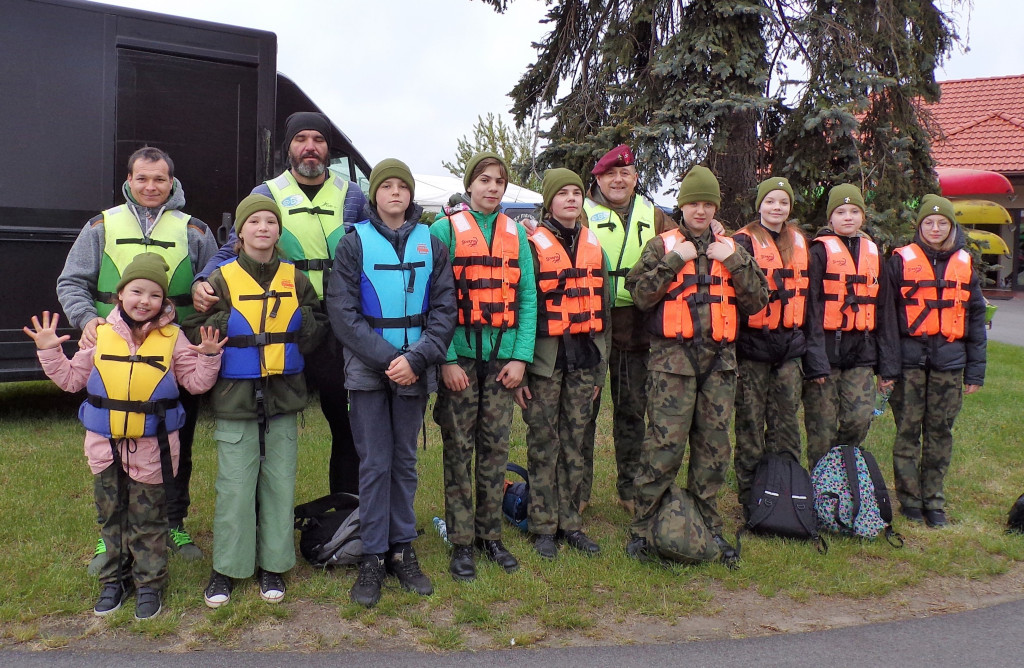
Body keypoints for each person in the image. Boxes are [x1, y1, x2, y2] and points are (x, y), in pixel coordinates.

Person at [28, 253, 223, 619]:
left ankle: (149, 584)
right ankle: (113, 581)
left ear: (164, 301)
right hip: (105, 448)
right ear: (120, 295)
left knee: (149, 521)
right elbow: (71, 379)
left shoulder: (173, 338)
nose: (143, 301)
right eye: (136, 291)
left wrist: (209, 357)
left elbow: (196, 385)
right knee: (111, 517)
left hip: (152, 449)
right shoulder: (100, 335)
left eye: (153, 295)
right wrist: (49, 349)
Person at [57, 146, 218, 567]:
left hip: (173, 358)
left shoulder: (196, 230)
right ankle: (112, 531)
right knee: (110, 443)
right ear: (129, 180)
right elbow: (71, 281)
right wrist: (86, 319)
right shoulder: (100, 226)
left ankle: (173, 522)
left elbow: (215, 283)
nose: (151, 186)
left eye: (159, 179)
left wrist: (204, 318)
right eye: (142, 178)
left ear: (172, 183)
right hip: (113, 357)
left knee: (175, 442)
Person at [192, 112, 367, 497]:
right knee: (267, 417)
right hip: (281, 318)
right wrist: (203, 278)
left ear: (328, 148)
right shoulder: (267, 193)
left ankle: (347, 509)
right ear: (288, 147)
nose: (310, 147)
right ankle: (261, 516)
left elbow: (375, 242)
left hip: (337, 322)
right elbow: (231, 246)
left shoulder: (352, 194)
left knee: (345, 422)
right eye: (301, 139)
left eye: (318, 140)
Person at [185, 194, 326, 608]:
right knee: (234, 487)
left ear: (279, 232)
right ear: (239, 233)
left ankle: (274, 564)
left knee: (280, 484)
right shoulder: (221, 281)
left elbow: (315, 325)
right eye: (255, 222)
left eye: (270, 222)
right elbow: (194, 328)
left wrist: (303, 325)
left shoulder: (296, 279)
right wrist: (230, 321)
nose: (263, 228)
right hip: (235, 398)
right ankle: (228, 568)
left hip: (283, 398)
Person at [327, 159, 456, 606]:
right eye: (388, 187)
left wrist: (417, 358)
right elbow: (342, 314)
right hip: (368, 369)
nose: (396, 194)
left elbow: (445, 309)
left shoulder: (432, 244)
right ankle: (372, 556)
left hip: (415, 367)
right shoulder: (352, 244)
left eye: (403, 187)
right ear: (374, 195)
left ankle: (402, 548)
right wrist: (389, 358)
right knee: (374, 462)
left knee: (404, 461)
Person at [624, 166, 768, 566]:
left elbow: (758, 302)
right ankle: (643, 527)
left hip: (719, 365)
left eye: (708, 204)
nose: (701, 211)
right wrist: (673, 261)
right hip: (672, 365)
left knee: (713, 448)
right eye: (693, 204)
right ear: (682, 206)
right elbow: (639, 296)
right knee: (664, 446)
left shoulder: (733, 248)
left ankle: (708, 525)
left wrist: (736, 261)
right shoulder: (660, 245)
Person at [429, 152, 537, 582]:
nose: (492, 188)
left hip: (500, 361)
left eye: (499, 182)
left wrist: (519, 358)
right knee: (459, 448)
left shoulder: (516, 235)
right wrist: (446, 359)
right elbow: (434, 303)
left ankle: (490, 535)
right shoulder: (443, 230)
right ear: (470, 184)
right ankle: (461, 540)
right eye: (485, 180)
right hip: (459, 358)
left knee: (495, 449)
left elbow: (527, 299)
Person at [514, 168, 611, 559]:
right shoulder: (531, 244)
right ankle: (542, 527)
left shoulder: (593, 245)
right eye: (562, 193)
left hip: (585, 359)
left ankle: (570, 523)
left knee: (576, 442)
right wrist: (519, 365)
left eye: (576, 193)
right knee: (543, 442)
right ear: (549, 201)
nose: (571, 199)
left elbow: (603, 308)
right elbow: (522, 305)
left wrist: (600, 370)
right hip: (544, 362)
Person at [881, 194, 986, 527]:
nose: (936, 228)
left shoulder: (965, 264)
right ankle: (910, 499)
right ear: (920, 226)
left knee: (940, 433)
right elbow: (887, 320)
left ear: (952, 227)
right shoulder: (900, 261)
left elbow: (976, 319)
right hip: (910, 363)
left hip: (950, 365)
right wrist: (889, 368)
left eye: (943, 223)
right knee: (907, 433)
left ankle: (934, 501)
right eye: (929, 222)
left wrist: (975, 371)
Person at [581, 145, 674, 515]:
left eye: (626, 174)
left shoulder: (653, 214)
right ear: (598, 179)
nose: (618, 180)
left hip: (636, 322)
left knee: (633, 409)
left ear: (635, 178)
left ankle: (630, 488)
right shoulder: (582, 213)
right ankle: (578, 490)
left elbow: (685, 239)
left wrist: (716, 228)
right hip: (589, 322)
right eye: (610, 175)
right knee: (583, 410)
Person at [802, 184, 900, 470]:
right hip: (825, 356)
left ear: (862, 217)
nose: (848, 217)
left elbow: (884, 311)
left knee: (859, 417)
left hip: (861, 352)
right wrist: (815, 360)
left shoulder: (873, 253)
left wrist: (887, 367)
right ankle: (819, 482)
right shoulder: (818, 253)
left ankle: (844, 471)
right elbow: (811, 309)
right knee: (821, 425)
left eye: (854, 211)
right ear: (830, 219)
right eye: (841, 212)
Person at [731, 177, 809, 510]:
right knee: (750, 422)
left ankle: (787, 492)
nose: (777, 208)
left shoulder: (801, 242)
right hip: (753, 347)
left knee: (787, 423)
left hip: (789, 347)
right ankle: (750, 495)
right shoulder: (742, 242)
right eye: (771, 201)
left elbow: (812, 297)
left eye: (783, 203)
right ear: (759, 205)